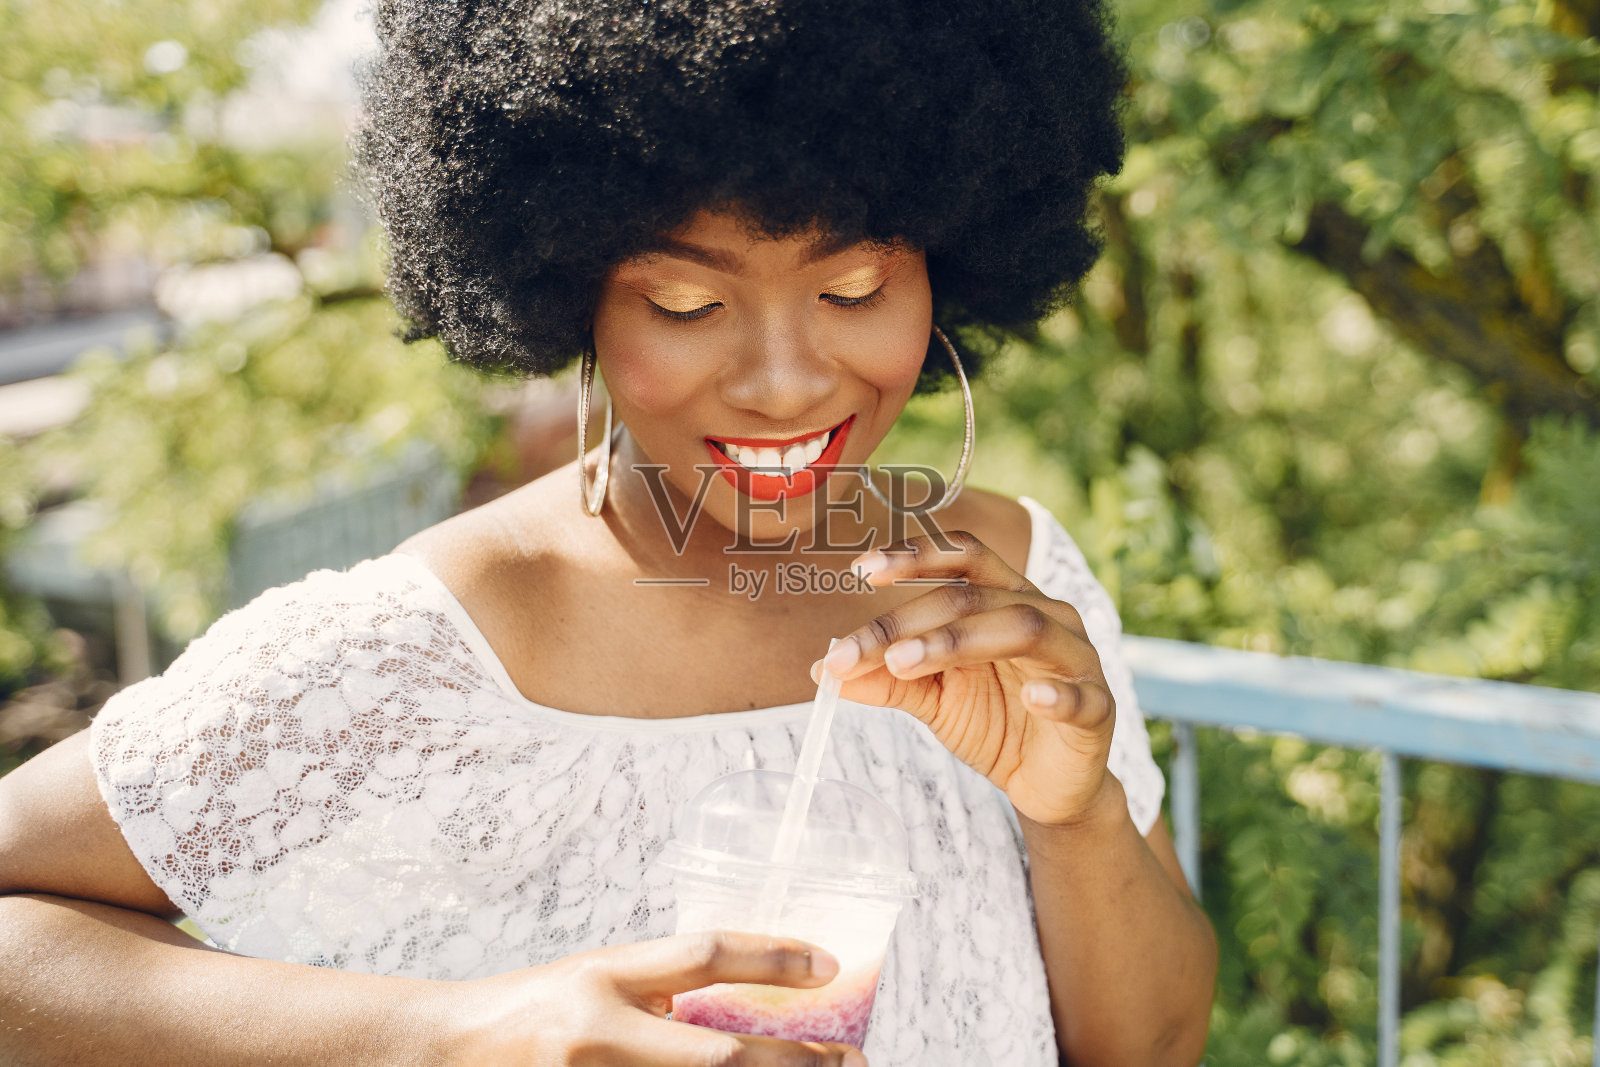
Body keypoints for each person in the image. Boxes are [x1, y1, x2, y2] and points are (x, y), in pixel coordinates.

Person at [0, 1, 1219, 1063]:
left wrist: (1077, 814)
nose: (786, 382)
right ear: (567, 285)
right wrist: (451, 1036)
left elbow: (1153, 1045)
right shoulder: (442, 636)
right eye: (687, 301)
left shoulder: (1007, 576)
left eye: (852, 289)